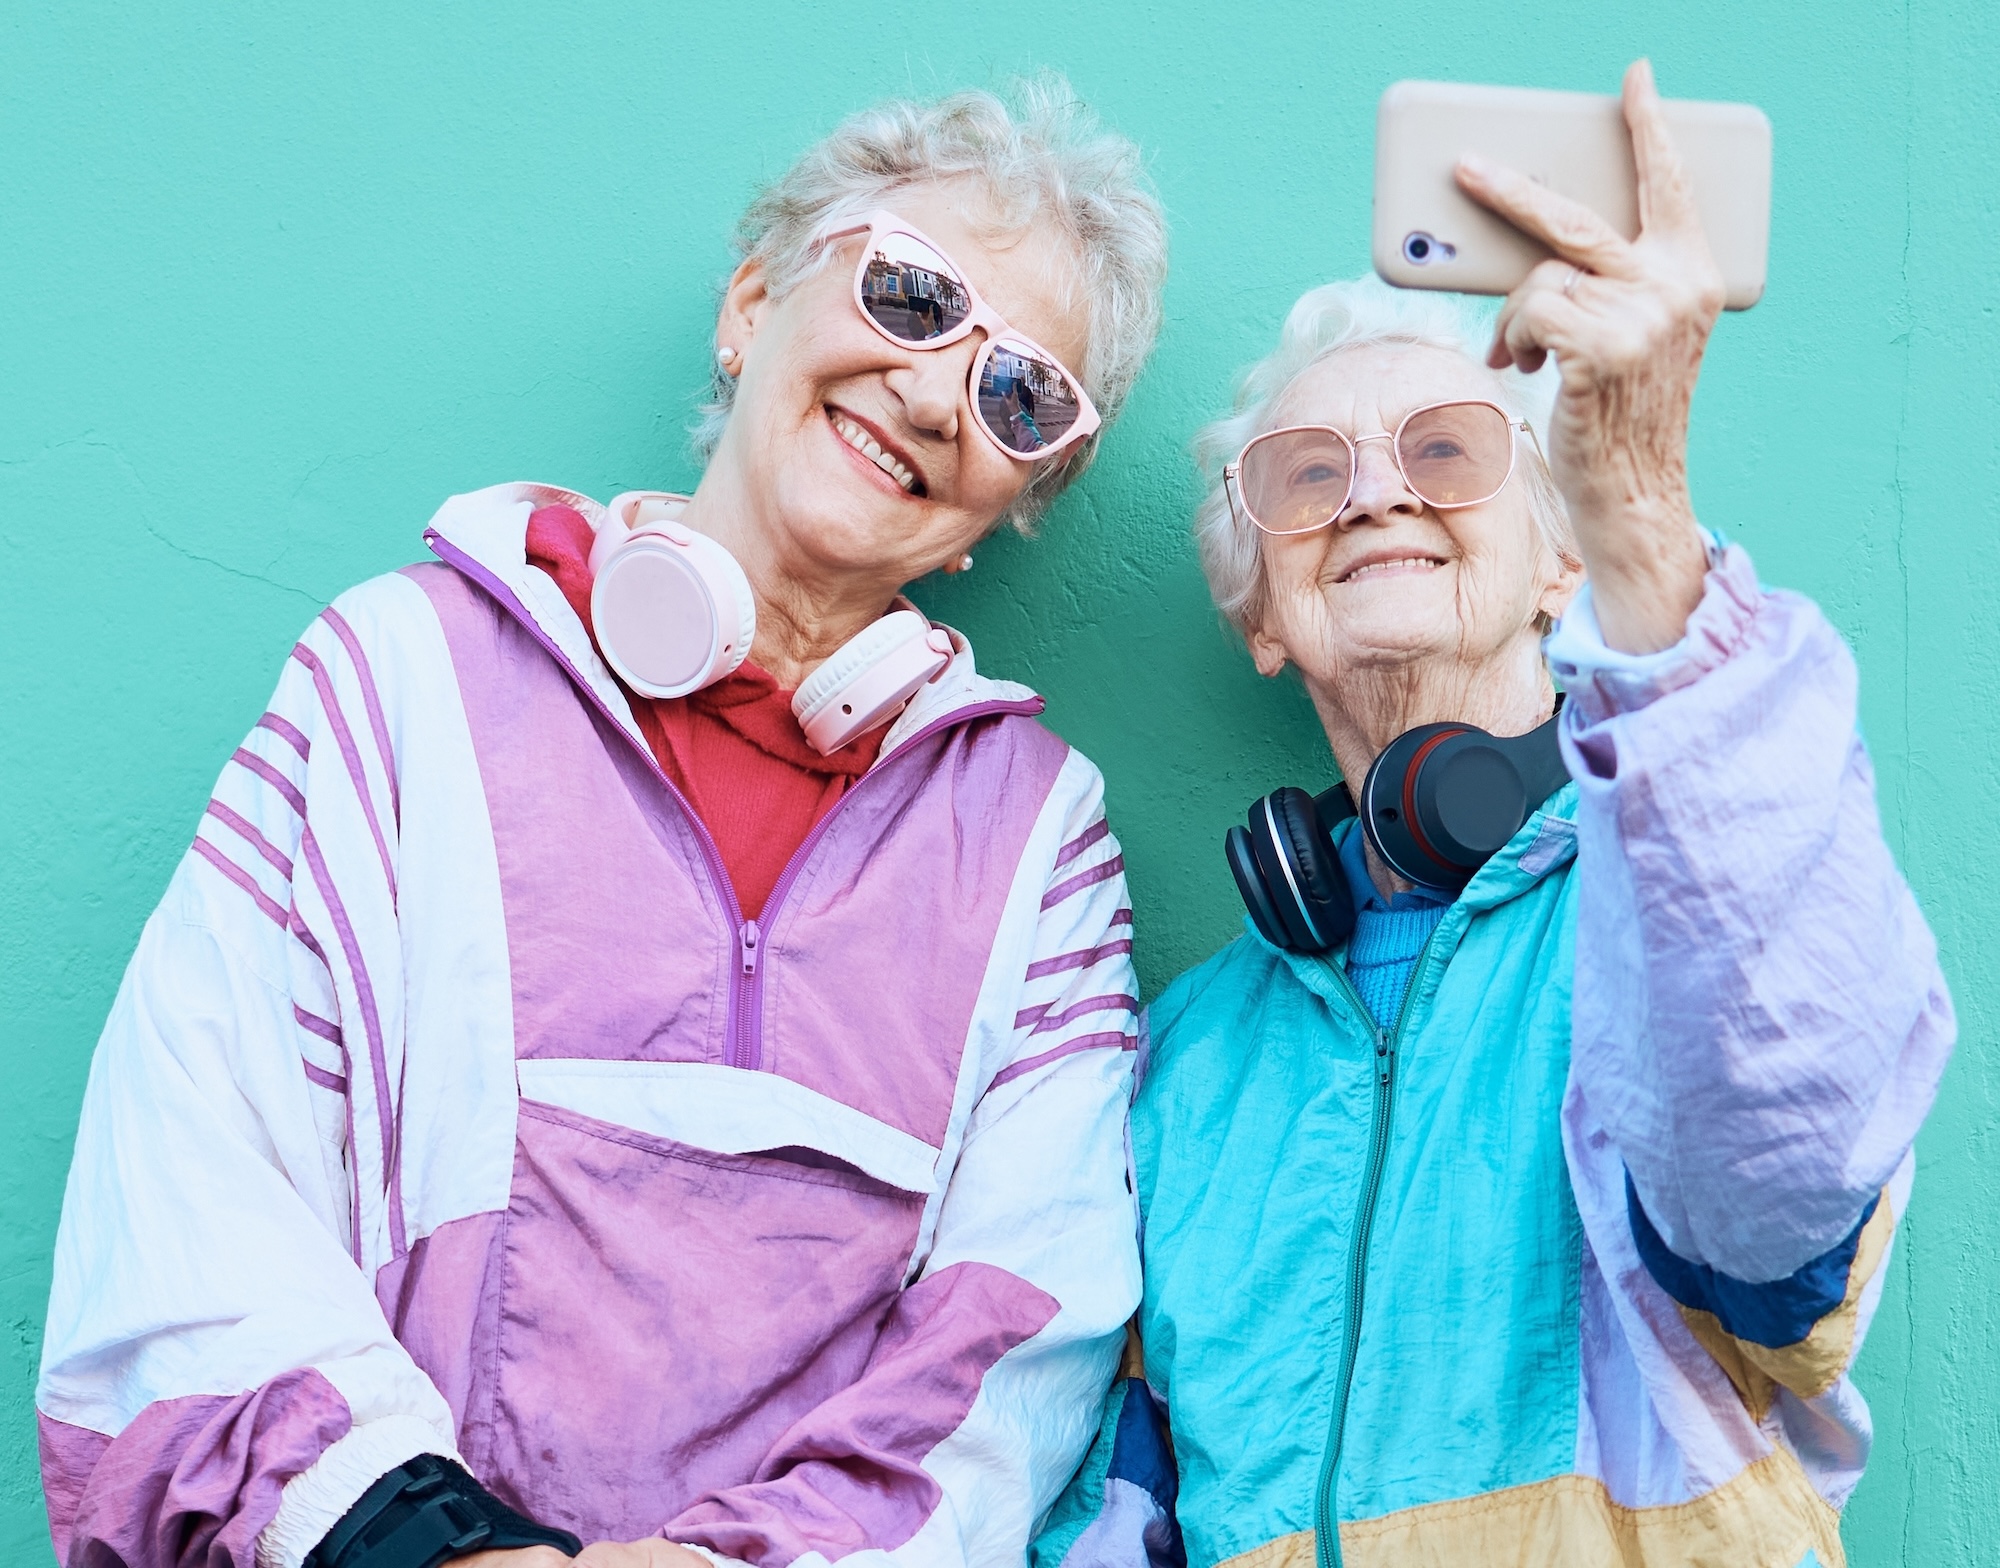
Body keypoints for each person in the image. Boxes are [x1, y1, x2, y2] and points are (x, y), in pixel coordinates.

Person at [38, 80, 1167, 1568]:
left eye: (1023, 394)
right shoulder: (398, 674)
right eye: (913, 296)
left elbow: (1018, 1340)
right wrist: (438, 1548)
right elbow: (192, 1175)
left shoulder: (1037, 840)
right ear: (751, 305)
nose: (934, 395)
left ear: (1013, 504)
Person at [1035, 62, 1953, 1568]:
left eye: (1447, 451)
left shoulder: (1666, 917)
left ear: (1557, 563)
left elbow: (1782, 1209)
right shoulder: (1188, 1058)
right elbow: (1108, 1512)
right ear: (1260, 614)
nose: (1373, 496)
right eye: (1307, 474)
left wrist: (1640, 509)